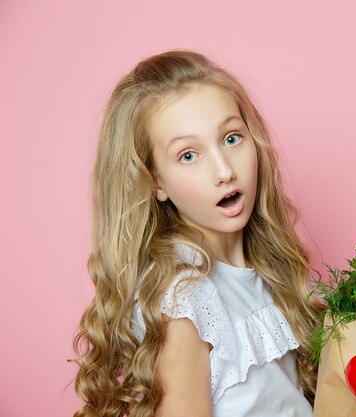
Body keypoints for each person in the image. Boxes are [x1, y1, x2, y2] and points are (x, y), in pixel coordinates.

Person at [71, 49, 325, 417]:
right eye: (188, 155)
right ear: (156, 181)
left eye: (232, 138)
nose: (224, 170)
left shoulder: (265, 268)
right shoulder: (186, 300)